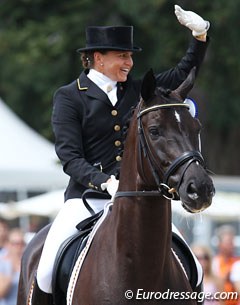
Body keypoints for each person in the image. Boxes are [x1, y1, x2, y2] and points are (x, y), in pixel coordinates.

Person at [34, 4, 211, 302]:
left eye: (130, 56)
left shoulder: (138, 90)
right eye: (123, 56)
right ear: (98, 58)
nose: (129, 62)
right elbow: (70, 157)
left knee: (193, 267)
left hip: (140, 199)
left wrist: (199, 35)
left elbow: (183, 73)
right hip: (86, 200)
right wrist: (105, 182)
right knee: (46, 270)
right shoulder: (69, 96)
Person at [212, 225, 239, 305]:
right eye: (228, 242)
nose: (232, 245)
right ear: (219, 244)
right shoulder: (214, 262)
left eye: (232, 242)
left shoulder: (237, 261)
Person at [0, 228, 26, 305]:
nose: (19, 247)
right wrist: (13, 269)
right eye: (15, 243)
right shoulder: (2, 263)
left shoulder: (27, 263)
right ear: (8, 245)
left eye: (22, 243)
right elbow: (1, 292)